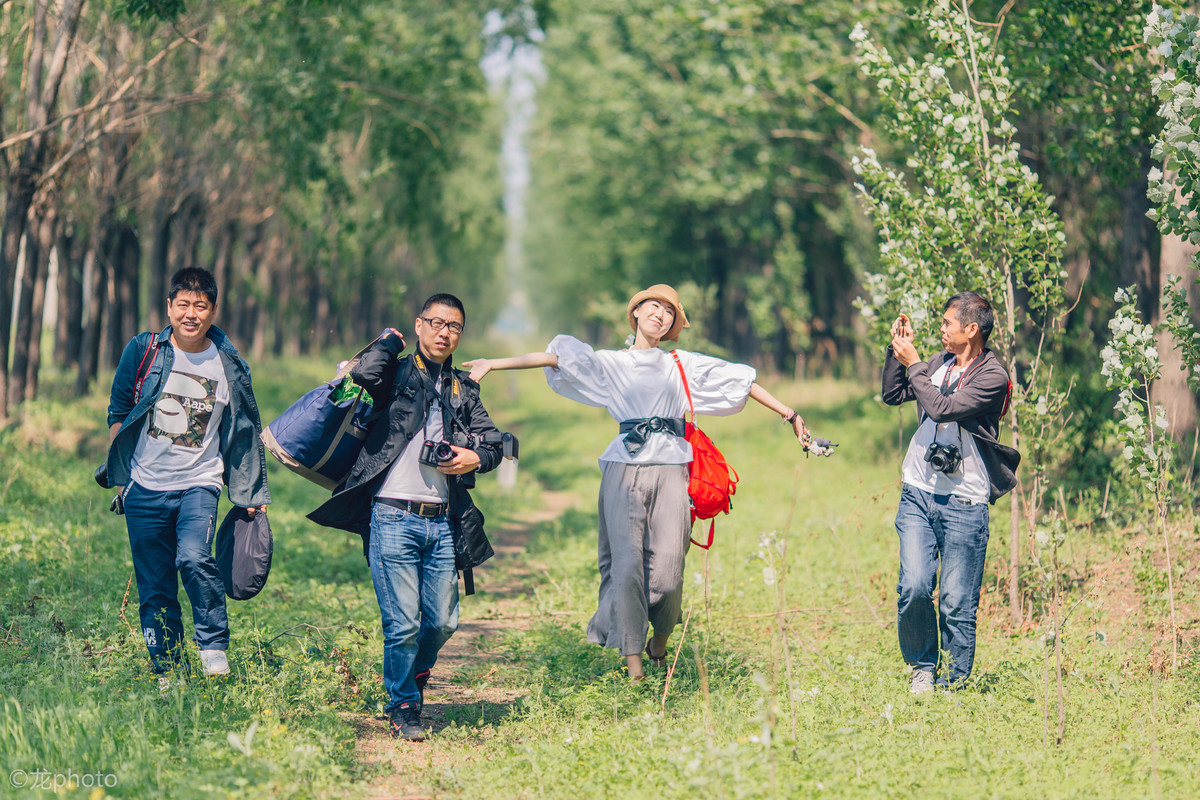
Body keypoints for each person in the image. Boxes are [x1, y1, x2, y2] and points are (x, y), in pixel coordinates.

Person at [464, 284, 826, 681]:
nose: (661, 315)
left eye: (669, 312)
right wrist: (494, 364)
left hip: (673, 470)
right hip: (623, 470)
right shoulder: (611, 362)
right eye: (653, 306)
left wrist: (790, 415)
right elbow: (553, 358)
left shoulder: (679, 362)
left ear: (672, 324)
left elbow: (741, 381)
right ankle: (635, 664)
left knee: (669, 572)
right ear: (635, 313)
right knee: (627, 566)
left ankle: (661, 639)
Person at [308, 294, 503, 742]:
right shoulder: (394, 375)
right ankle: (402, 707)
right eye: (435, 323)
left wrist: (475, 456)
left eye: (454, 326)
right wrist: (388, 342)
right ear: (419, 325)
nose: (444, 332)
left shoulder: (464, 389)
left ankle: (410, 679)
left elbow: (497, 443)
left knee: (442, 622)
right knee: (404, 623)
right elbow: (358, 375)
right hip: (391, 516)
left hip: (440, 520)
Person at [104, 267, 269, 689]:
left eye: (201, 305)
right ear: (169, 307)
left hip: (200, 482)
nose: (191, 314)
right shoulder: (144, 350)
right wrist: (123, 477)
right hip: (144, 486)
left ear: (213, 310)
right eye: (183, 304)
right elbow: (119, 411)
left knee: (194, 557)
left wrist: (248, 491)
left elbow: (243, 430)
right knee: (155, 588)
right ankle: (168, 673)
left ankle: (212, 644)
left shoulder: (229, 365)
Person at [882, 291, 1020, 694]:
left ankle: (954, 684)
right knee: (914, 586)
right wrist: (897, 353)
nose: (941, 329)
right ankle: (922, 666)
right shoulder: (939, 363)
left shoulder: (993, 376)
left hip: (965, 501)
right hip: (918, 493)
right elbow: (894, 394)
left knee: (957, 603)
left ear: (971, 329)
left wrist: (913, 365)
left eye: (947, 323)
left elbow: (943, 408)